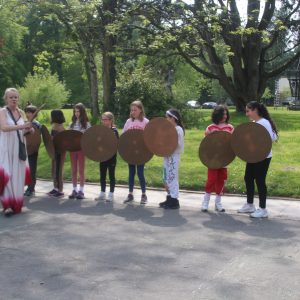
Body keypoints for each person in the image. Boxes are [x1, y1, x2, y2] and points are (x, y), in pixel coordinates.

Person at [238, 101, 278, 218]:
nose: (247, 114)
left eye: (248, 111)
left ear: (255, 110)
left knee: (260, 181)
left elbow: (270, 139)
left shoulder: (263, 123)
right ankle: (250, 205)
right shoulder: (257, 122)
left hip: (263, 156)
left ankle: (263, 209)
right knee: (248, 178)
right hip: (253, 156)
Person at [0, 88, 32, 216]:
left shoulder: (22, 112)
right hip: (6, 147)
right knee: (7, 173)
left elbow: (22, 130)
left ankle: (17, 202)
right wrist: (22, 126)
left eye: (15, 97)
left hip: (19, 147)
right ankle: (7, 205)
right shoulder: (2, 111)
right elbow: (3, 128)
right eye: (11, 97)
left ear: (18, 98)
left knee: (18, 175)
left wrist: (29, 130)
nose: (13, 99)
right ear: (6, 99)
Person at [201, 105, 234, 212]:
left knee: (222, 179)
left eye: (226, 114)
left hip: (224, 158)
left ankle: (218, 202)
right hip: (213, 159)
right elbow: (205, 145)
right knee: (212, 178)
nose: (224, 116)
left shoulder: (230, 128)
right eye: (222, 114)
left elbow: (233, 144)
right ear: (217, 114)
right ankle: (205, 201)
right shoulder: (210, 128)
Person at [123, 100, 149, 204]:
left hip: (141, 152)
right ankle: (130, 194)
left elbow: (149, 137)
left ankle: (144, 195)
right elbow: (124, 136)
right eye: (132, 110)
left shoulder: (146, 122)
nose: (133, 112)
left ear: (140, 110)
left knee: (140, 173)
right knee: (131, 173)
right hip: (131, 152)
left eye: (135, 110)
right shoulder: (129, 122)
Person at [159, 109, 184, 209]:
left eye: (167, 117)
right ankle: (169, 198)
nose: (166, 119)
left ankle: (174, 200)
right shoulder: (168, 129)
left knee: (172, 177)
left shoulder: (178, 129)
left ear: (173, 118)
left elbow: (176, 144)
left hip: (173, 156)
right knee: (165, 177)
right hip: (167, 156)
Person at [68, 103, 91, 200]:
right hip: (73, 149)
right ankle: (74, 189)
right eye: (75, 111)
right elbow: (67, 135)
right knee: (73, 170)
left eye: (78, 111)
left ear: (82, 112)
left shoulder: (86, 124)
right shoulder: (71, 123)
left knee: (81, 170)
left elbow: (89, 137)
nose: (77, 113)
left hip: (81, 149)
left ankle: (81, 191)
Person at [95, 112, 119, 202]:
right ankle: (102, 193)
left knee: (111, 175)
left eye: (105, 119)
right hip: (102, 156)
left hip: (112, 157)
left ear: (110, 120)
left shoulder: (114, 131)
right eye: (102, 119)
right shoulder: (100, 130)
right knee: (102, 175)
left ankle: (111, 194)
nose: (103, 121)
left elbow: (116, 144)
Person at [47, 109, 66, 198]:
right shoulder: (54, 125)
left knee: (58, 170)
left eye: (52, 115)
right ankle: (55, 187)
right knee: (53, 169)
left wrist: (52, 138)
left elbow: (61, 140)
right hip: (54, 150)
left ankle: (60, 190)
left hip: (60, 151)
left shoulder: (60, 127)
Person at [24, 105, 42, 197]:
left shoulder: (37, 124)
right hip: (23, 150)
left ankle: (31, 188)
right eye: (27, 112)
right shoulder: (23, 123)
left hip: (33, 150)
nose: (28, 114)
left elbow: (37, 138)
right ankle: (24, 186)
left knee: (32, 169)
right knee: (23, 170)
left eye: (30, 112)